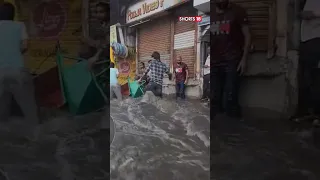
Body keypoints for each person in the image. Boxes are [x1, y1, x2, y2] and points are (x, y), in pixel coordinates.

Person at [0, 2, 40, 125]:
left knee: (2, 114)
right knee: (30, 110)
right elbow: (24, 46)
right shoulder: (20, 25)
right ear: (13, 15)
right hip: (18, 72)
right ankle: (37, 136)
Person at [210, 0, 251, 117]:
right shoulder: (210, 12)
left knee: (230, 97)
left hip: (232, 60)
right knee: (214, 98)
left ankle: (233, 130)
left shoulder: (238, 11)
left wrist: (244, 59)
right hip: (214, 62)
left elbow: (248, 35)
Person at [295, 0, 320, 118]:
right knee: (307, 76)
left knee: (312, 76)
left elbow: (306, 14)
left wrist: (306, 13)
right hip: (307, 40)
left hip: (314, 40)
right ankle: (309, 111)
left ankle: (314, 112)